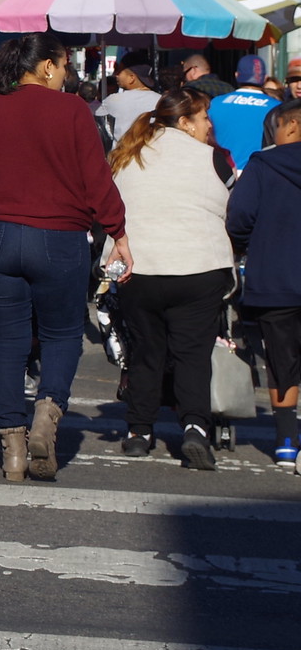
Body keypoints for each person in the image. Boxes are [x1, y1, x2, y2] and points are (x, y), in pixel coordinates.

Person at [0, 32, 127, 483]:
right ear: (46, 66)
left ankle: (13, 448)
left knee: (6, 344)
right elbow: (96, 181)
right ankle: (47, 414)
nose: (65, 75)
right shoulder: (74, 112)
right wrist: (117, 232)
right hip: (59, 240)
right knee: (62, 335)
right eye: (63, 66)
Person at [107, 90, 235, 470]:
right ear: (184, 122)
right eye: (203, 117)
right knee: (192, 354)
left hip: (140, 267)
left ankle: (139, 431)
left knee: (146, 351)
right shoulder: (213, 158)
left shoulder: (128, 154)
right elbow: (232, 207)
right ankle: (195, 425)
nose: (209, 125)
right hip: (199, 266)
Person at [227, 98, 301, 473]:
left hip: (276, 278)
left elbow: (239, 219)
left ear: (289, 126)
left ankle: (287, 440)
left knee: (280, 358)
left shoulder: (263, 164)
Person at [207, 57, 279, 170]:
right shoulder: (277, 107)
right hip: (259, 173)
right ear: (265, 78)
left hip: (223, 172)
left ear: (236, 75)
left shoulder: (215, 103)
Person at [95, 52, 159, 146]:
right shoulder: (160, 100)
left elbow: (98, 125)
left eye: (119, 70)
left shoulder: (113, 101)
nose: (116, 74)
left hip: (121, 157)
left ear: (131, 78)